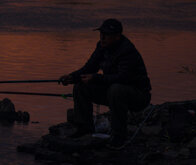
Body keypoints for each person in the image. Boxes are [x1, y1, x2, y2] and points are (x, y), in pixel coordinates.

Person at [58, 19, 151, 149]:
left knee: (116, 89)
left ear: (117, 36)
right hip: (113, 90)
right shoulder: (102, 46)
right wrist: (72, 77)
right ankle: (84, 128)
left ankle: (118, 137)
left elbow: (123, 78)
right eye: (101, 33)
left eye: (106, 34)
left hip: (138, 96)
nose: (102, 37)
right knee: (81, 85)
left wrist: (96, 78)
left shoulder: (127, 51)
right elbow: (89, 68)